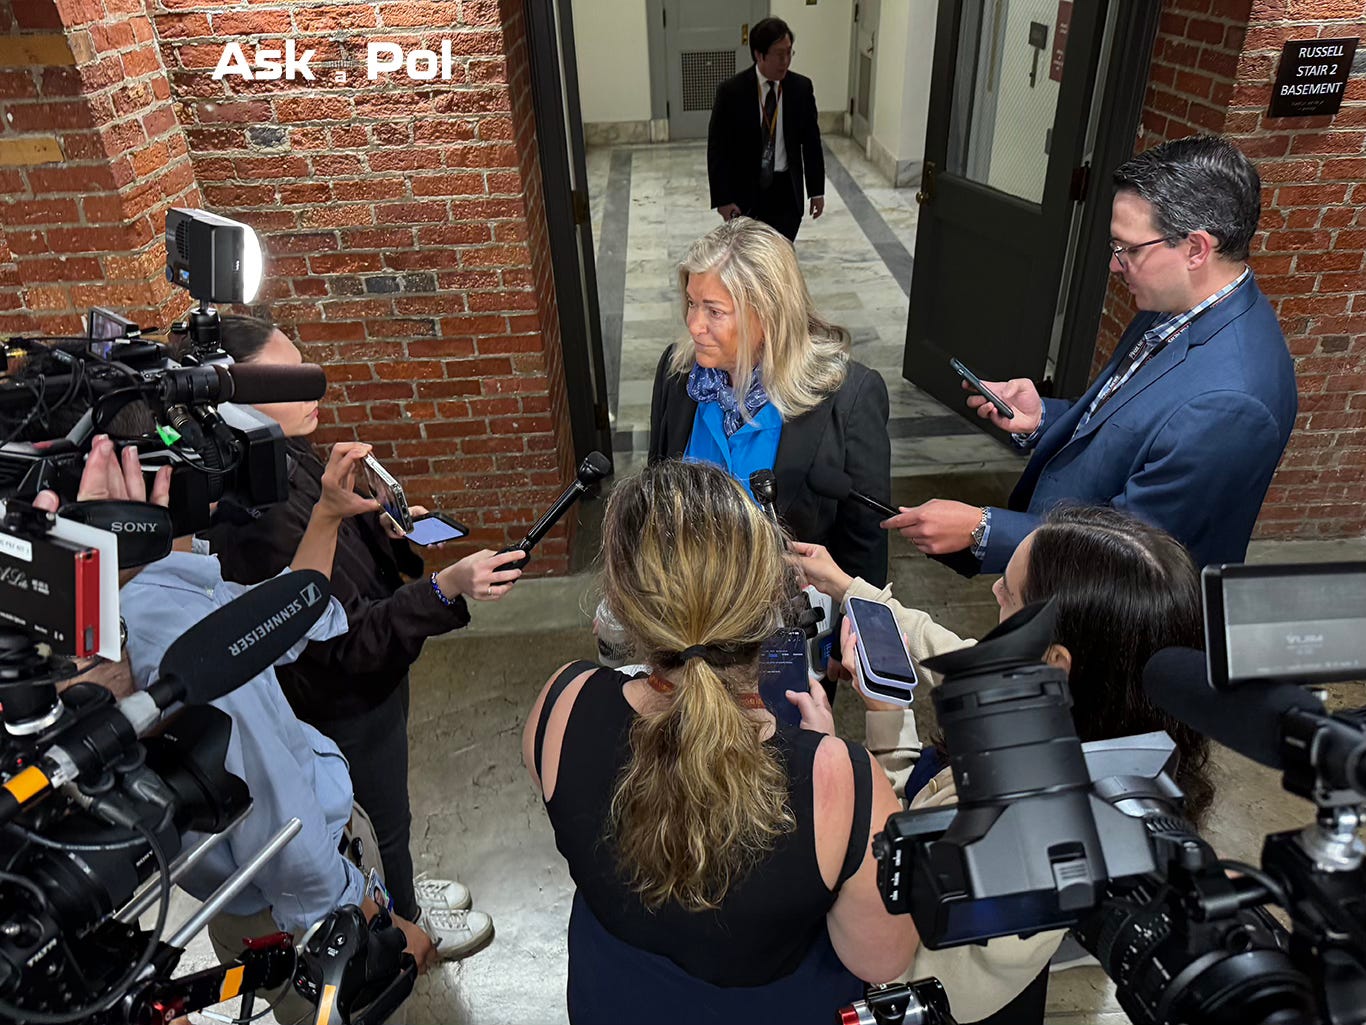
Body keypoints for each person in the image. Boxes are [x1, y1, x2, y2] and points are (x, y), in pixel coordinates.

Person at [42, 435, 437, 1025]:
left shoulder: (152, 589)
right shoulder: (176, 633)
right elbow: (288, 834)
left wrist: (326, 513)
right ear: (167, 485)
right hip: (301, 915)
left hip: (246, 906)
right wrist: (375, 923)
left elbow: (280, 617)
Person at [523, 460, 916, 1025]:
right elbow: (880, 958)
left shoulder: (562, 701)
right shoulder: (841, 782)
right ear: (768, 604)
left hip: (613, 996)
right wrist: (824, 761)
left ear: (620, 606)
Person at [790, 504, 1216, 1024]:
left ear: (1055, 664)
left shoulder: (1033, 835)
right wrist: (853, 591)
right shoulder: (1109, 721)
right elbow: (956, 654)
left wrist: (873, 732)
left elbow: (898, 943)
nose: (992, 592)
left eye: (1008, 594)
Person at [200, 314, 517, 958]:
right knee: (377, 825)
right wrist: (444, 588)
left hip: (371, 687)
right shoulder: (255, 516)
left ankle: (400, 895)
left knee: (385, 820)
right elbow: (340, 645)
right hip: (341, 704)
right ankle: (401, 935)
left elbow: (337, 569)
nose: (314, 386)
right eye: (289, 378)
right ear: (233, 396)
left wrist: (383, 533)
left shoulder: (280, 457)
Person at [886, 135, 1297, 575]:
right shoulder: (1176, 303)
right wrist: (1044, 418)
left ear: (1196, 249)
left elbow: (1129, 553)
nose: (1115, 265)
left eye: (1129, 249)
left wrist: (983, 530)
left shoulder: (1234, 404)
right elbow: (1133, 428)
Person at [650, 217, 891, 588]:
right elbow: (655, 501)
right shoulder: (677, 371)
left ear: (769, 315)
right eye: (692, 303)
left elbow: (865, 551)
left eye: (714, 311)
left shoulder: (851, 398)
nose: (694, 324)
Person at [707, 16, 824, 241]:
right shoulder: (731, 92)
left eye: (790, 52)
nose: (786, 61)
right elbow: (717, 150)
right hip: (746, 193)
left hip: (786, 191)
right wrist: (722, 199)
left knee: (780, 257)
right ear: (759, 55)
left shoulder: (801, 88)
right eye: (779, 54)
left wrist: (816, 191)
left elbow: (811, 143)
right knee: (750, 262)